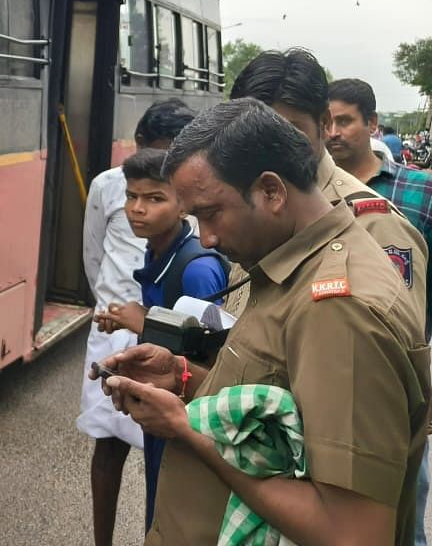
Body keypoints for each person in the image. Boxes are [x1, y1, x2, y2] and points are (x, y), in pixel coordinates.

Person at [98, 99, 430, 545]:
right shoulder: (289, 261)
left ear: (272, 191)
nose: (208, 237)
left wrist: (188, 431)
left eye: (211, 214)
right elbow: (285, 409)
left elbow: (352, 531)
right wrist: (181, 378)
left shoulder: (338, 306)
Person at [229, 48, 426, 321]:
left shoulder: (375, 224)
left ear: (323, 122)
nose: (265, 149)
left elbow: (392, 349)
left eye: (285, 131)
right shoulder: (248, 211)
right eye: (250, 133)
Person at [77, 98, 195, 546]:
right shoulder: (107, 185)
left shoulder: (191, 186)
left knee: (165, 450)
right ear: (140, 145)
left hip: (164, 330)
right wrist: (109, 307)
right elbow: (93, 255)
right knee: (108, 444)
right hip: (112, 330)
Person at [92, 148, 228, 531]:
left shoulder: (197, 269)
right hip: (163, 409)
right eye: (132, 196)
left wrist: (146, 322)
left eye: (154, 198)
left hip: (188, 421)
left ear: (183, 204)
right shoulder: (159, 250)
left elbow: (211, 359)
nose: (137, 209)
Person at [327, 77, 432, 545]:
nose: (334, 132)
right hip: (332, 369)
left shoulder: (418, 190)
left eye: (345, 121)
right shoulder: (314, 194)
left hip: (404, 377)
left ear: (371, 124)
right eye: (326, 121)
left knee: (408, 502)